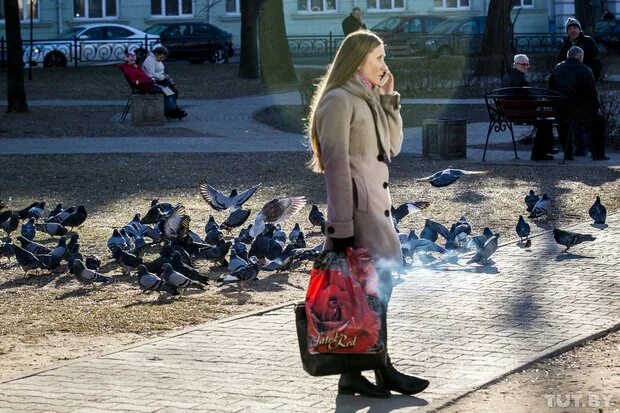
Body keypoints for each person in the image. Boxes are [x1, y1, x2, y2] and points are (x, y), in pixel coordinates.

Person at [306, 30, 430, 398]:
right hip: (358, 216)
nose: (383, 64)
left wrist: (389, 99)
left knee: (374, 293)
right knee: (364, 294)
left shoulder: (368, 96)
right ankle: (381, 369)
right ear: (357, 58)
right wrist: (341, 225)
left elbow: (392, 146)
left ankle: (357, 374)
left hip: (378, 210)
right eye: (377, 57)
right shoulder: (339, 100)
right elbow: (336, 168)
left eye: (383, 56)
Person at [550, 46, 608, 160]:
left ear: (568, 56)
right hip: (581, 112)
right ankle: (598, 154)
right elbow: (592, 93)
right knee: (600, 122)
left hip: (561, 110)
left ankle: (568, 153)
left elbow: (551, 89)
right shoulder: (585, 70)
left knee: (563, 124)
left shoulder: (557, 69)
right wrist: (597, 108)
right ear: (580, 57)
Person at [501, 54, 557, 160]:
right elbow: (528, 98)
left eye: (528, 64)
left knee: (544, 121)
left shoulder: (507, 76)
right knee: (545, 121)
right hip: (520, 113)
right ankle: (539, 153)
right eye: (524, 64)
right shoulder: (520, 80)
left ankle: (545, 149)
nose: (526, 67)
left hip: (509, 111)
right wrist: (538, 101)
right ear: (516, 64)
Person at [119, 50, 187, 120]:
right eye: (132, 61)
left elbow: (141, 76)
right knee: (168, 92)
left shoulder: (132, 67)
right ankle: (172, 112)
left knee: (169, 91)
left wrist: (148, 80)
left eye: (134, 61)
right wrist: (145, 81)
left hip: (148, 84)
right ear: (127, 60)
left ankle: (172, 112)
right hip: (144, 87)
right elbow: (135, 81)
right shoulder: (129, 69)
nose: (133, 62)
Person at [558, 17, 603, 82]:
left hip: (585, 80)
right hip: (569, 82)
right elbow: (560, 62)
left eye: (575, 28)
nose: (573, 31)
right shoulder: (565, 44)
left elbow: (597, 62)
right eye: (570, 29)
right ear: (567, 32)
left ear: (579, 30)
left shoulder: (588, 41)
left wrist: (594, 78)